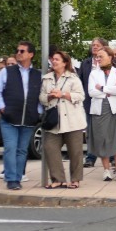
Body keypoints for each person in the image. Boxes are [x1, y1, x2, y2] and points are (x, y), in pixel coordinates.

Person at [0, 41, 42, 190]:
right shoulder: (7, 71)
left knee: (22, 150)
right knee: (10, 147)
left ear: (31, 54)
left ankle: (18, 177)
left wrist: (38, 112)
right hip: (9, 118)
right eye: (17, 51)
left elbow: (40, 95)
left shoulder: (38, 75)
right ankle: (11, 178)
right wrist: (1, 108)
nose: (18, 53)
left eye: (22, 51)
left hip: (28, 118)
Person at [40, 50, 87, 189]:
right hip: (54, 121)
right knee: (50, 147)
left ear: (65, 62)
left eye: (57, 59)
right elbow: (41, 98)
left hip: (73, 120)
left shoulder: (73, 78)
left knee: (75, 151)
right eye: (53, 59)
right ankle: (58, 179)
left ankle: (75, 179)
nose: (54, 62)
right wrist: (49, 96)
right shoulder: (47, 78)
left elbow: (80, 96)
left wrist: (63, 94)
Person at [87, 46, 116, 182]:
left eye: (101, 56)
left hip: (115, 109)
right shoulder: (93, 73)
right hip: (99, 109)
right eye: (97, 57)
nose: (98, 59)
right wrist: (110, 91)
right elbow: (91, 92)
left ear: (110, 57)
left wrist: (103, 88)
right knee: (102, 138)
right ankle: (106, 170)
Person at [77, 37, 109, 168]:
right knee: (91, 132)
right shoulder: (86, 63)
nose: (94, 47)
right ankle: (91, 157)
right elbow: (81, 81)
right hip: (89, 102)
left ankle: (110, 156)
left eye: (97, 45)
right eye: (93, 45)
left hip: (106, 102)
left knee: (107, 131)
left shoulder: (109, 63)